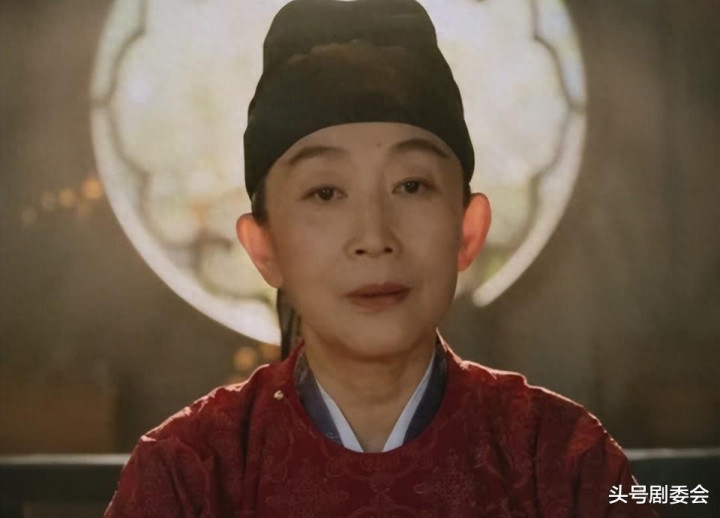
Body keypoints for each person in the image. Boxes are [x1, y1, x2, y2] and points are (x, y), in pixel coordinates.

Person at [105, 0, 660, 516]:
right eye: (326, 192)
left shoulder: (563, 461)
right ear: (263, 248)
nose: (373, 237)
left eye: (412, 186)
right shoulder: (186, 474)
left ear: (468, 231)